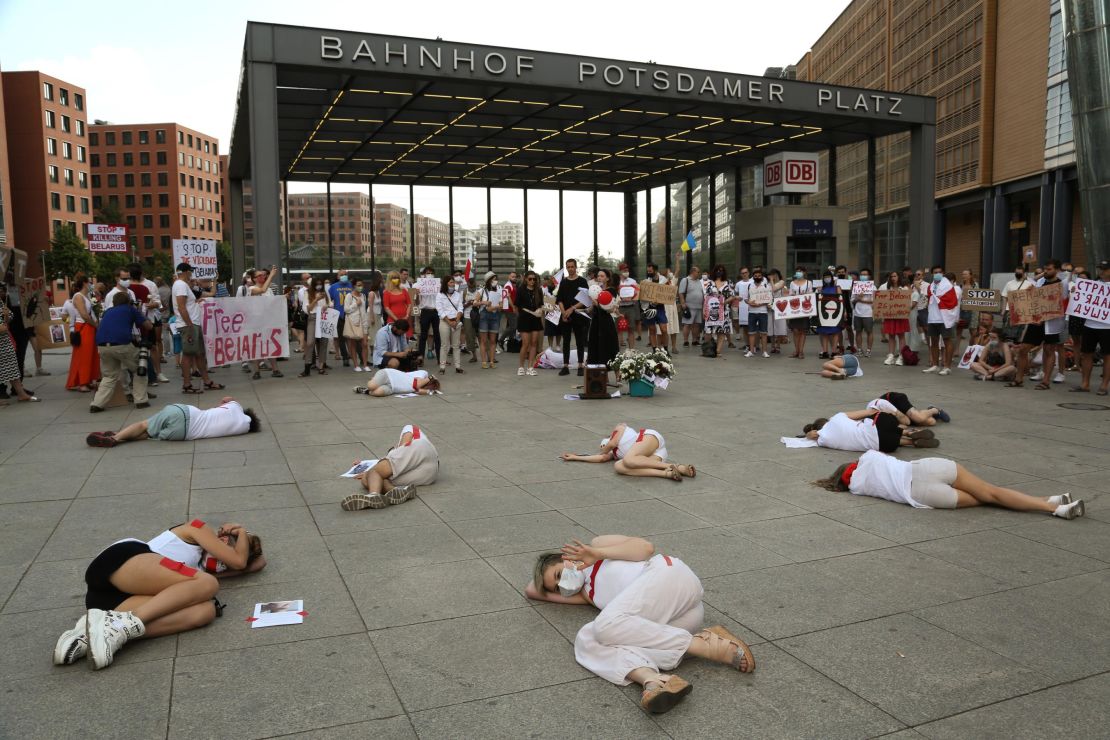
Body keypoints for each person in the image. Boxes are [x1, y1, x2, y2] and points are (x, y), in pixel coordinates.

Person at [525, 535, 754, 714]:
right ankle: (653, 680)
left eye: (558, 575)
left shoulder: (598, 547)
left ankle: (704, 646)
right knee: (586, 637)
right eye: (557, 588)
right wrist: (554, 584)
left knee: (603, 627)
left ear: (566, 558)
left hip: (670, 576)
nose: (562, 586)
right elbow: (531, 590)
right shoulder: (585, 594)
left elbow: (645, 548)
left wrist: (596, 554)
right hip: (683, 619)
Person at [53, 519, 265, 669]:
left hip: (108, 600)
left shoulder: (195, 575)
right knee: (208, 585)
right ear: (225, 541)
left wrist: (238, 562)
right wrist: (242, 532)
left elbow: (256, 564)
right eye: (223, 556)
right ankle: (121, 627)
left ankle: (91, 631)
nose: (221, 565)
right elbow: (238, 561)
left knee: (206, 610)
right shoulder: (196, 527)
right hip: (121, 560)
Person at [813, 450, 1086, 519]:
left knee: (988, 497)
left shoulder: (858, 488)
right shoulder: (868, 458)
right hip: (926, 466)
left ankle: (1054, 506)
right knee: (991, 491)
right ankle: (1051, 502)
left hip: (920, 493)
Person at [86, 396, 261, 447]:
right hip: (183, 435)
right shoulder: (245, 428)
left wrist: (224, 404)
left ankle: (114, 438)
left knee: (144, 425)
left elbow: (225, 398)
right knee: (147, 434)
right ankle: (120, 437)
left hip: (184, 413)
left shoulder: (236, 406)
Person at [340, 425, 439, 511]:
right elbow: (390, 463)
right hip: (430, 474)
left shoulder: (407, 431)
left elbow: (409, 438)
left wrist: (375, 469)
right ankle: (396, 491)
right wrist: (367, 470)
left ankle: (374, 495)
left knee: (374, 472)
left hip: (422, 448)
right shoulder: (399, 456)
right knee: (370, 479)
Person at [560, 423, 696, 481]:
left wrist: (605, 448)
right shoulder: (615, 454)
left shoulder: (619, 429)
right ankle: (667, 473)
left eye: (603, 445)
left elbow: (611, 444)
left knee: (628, 460)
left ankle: (676, 466)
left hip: (649, 438)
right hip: (653, 456)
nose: (603, 448)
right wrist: (576, 457)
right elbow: (600, 458)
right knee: (618, 466)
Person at [89, 293, 152, 412]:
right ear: (129, 301)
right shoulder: (130, 309)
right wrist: (140, 312)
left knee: (109, 376)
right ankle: (141, 400)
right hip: (121, 344)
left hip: (102, 346)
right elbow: (148, 326)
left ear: (114, 302)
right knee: (139, 369)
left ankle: (97, 404)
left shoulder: (108, 311)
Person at [173, 263, 221, 394]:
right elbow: (181, 306)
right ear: (184, 272)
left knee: (199, 354)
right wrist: (189, 324)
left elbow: (186, 304)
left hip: (193, 323)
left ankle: (207, 381)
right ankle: (187, 384)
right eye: (190, 271)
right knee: (188, 355)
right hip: (189, 325)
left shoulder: (183, 286)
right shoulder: (180, 285)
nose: (191, 274)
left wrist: (195, 304)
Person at [801, 410, 939, 452]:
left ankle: (910, 442)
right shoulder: (836, 417)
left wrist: (808, 435)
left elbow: (811, 435)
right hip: (881, 426)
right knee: (872, 424)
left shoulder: (823, 439)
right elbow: (866, 412)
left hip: (884, 446)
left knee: (875, 439)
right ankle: (909, 432)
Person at [1072, 259, 1110, 395]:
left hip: (1107, 327)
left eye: (1104, 269)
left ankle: (1104, 385)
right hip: (1090, 324)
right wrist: (1076, 291)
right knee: (1086, 354)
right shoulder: (1092, 285)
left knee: (1107, 356)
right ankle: (1085, 383)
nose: (1101, 272)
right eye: (1100, 269)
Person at [0, 292, 40, 404]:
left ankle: (21, 393)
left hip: (4, 341)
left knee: (12, 366)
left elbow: (9, 318)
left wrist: (7, 315)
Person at [246, 266, 284, 379]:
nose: (263, 276)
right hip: (256, 322)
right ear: (254, 279)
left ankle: (275, 369)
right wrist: (271, 275)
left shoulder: (269, 290)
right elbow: (261, 290)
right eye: (260, 275)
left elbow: (272, 303)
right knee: (257, 345)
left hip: (268, 320)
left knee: (271, 344)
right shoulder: (251, 289)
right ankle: (256, 371)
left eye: (264, 275)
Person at [66, 273, 101, 393]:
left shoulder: (86, 296)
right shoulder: (78, 296)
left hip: (88, 327)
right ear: (85, 283)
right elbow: (84, 315)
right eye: (90, 282)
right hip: (84, 327)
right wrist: (95, 324)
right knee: (84, 355)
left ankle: (88, 379)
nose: (91, 284)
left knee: (91, 354)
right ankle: (82, 382)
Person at [922, 266, 959, 375]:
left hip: (945, 317)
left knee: (947, 341)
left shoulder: (947, 286)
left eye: (939, 272)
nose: (937, 274)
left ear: (943, 273)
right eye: (935, 272)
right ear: (932, 274)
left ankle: (947, 366)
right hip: (933, 317)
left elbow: (952, 301)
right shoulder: (931, 286)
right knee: (933, 341)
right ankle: (934, 365)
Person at [556, 259, 590, 376]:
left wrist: (572, 309)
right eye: (568, 267)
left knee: (580, 340)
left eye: (572, 266)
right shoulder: (564, 282)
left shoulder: (582, 281)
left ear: (576, 267)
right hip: (566, 316)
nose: (570, 269)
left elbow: (585, 299)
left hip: (578, 315)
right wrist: (564, 312)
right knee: (566, 341)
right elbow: (559, 299)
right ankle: (565, 366)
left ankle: (580, 365)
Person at [514, 270, 544, 376]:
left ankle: (530, 367)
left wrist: (540, 310)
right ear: (526, 279)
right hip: (524, 319)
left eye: (534, 279)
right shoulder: (521, 290)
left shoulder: (538, 290)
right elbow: (516, 305)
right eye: (530, 279)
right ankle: (521, 366)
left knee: (534, 343)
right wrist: (520, 316)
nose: (532, 281)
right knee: (525, 343)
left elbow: (541, 304)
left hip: (535, 319)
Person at [701, 265, 736, 358]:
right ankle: (707, 350)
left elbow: (733, 296)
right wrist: (704, 309)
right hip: (711, 310)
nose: (719, 272)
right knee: (708, 331)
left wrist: (724, 302)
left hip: (724, 311)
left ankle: (718, 351)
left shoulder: (729, 282)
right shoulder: (710, 283)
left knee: (721, 331)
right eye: (717, 270)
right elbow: (706, 298)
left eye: (721, 270)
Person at [300, 278, 330, 377]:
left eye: (320, 284)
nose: (319, 286)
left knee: (323, 343)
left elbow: (330, 303)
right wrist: (316, 300)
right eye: (317, 284)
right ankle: (307, 367)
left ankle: (321, 367)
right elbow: (307, 309)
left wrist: (327, 306)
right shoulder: (307, 293)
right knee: (310, 342)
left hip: (324, 318)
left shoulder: (325, 293)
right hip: (313, 318)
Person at [866, 391, 950, 426]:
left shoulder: (881, 405)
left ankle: (935, 410)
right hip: (895, 413)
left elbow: (907, 421)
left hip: (894, 399)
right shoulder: (872, 421)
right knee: (932, 422)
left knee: (918, 418)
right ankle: (927, 412)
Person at [436, 275, 466, 374]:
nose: (452, 285)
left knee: (456, 345)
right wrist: (449, 322)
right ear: (445, 284)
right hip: (445, 322)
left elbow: (461, 308)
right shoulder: (440, 295)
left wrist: (456, 320)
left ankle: (458, 367)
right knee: (444, 345)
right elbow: (440, 310)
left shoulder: (458, 294)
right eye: (450, 283)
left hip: (456, 321)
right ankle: (442, 367)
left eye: (453, 283)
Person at [878, 272, 910, 364]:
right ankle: (891, 355)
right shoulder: (886, 288)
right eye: (891, 276)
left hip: (901, 315)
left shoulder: (904, 288)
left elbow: (908, 302)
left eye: (895, 276)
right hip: (890, 315)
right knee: (891, 335)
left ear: (898, 277)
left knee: (901, 335)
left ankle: (901, 356)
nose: (893, 278)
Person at [414, 266, 442, 367]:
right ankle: (421, 358)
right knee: (423, 336)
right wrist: (416, 294)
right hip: (424, 311)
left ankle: (440, 358)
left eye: (431, 273)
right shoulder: (417, 284)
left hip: (436, 311)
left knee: (437, 335)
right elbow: (415, 302)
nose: (429, 275)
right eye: (427, 273)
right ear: (424, 274)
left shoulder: (437, 284)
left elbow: (441, 298)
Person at [22, 282, 51, 376]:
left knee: (38, 347)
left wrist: (46, 301)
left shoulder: (35, 297)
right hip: (21, 325)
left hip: (31, 325)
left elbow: (40, 310)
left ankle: (39, 368)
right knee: (21, 349)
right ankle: (22, 368)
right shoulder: (21, 296)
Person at [343, 277, 371, 371]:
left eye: (361, 285)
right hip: (353, 323)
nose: (360, 287)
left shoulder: (363, 295)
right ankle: (356, 365)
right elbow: (346, 309)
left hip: (363, 322)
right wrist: (356, 304)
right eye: (358, 285)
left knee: (365, 344)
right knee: (353, 344)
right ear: (354, 286)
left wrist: (367, 322)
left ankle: (365, 364)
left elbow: (364, 309)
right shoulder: (349, 296)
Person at [354, 367, 440, 397]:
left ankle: (364, 390)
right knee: (372, 386)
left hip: (392, 388)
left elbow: (422, 391)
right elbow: (419, 385)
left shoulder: (417, 389)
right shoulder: (420, 379)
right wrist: (431, 378)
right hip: (388, 375)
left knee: (378, 393)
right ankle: (374, 379)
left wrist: (432, 391)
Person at [476, 271, 502, 369]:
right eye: (493, 279)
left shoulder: (499, 290)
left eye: (496, 279)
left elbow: (501, 304)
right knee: (483, 340)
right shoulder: (481, 290)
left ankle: (491, 361)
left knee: (493, 340)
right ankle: (483, 362)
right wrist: (484, 302)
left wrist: (497, 307)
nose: (495, 281)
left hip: (495, 316)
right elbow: (475, 302)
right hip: (484, 316)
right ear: (488, 280)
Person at [328, 269, 353, 366]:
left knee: (351, 337)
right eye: (341, 275)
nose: (344, 276)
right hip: (339, 316)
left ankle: (352, 354)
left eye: (345, 274)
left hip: (351, 315)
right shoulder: (333, 287)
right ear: (338, 277)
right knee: (341, 338)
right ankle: (345, 357)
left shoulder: (351, 285)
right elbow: (328, 300)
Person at [744, 267, 771, 358]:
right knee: (751, 332)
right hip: (752, 312)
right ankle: (751, 351)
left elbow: (769, 299)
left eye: (759, 276)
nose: (757, 277)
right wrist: (749, 302)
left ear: (762, 277)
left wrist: (760, 304)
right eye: (755, 276)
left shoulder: (766, 286)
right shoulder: (749, 285)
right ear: (753, 276)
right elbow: (745, 299)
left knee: (764, 332)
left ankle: (764, 351)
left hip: (763, 312)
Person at [817, 270, 844, 358]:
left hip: (835, 313)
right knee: (824, 333)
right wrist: (818, 291)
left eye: (828, 277)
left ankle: (834, 351)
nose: (827, 278)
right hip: (823, 313)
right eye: (825, 277)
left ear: (832, 278)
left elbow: (841, 300)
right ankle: (825, 351)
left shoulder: (837, 287)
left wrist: (844, 312)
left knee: (835, 332)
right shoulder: (821, 288)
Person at [787, 268, 813, 359]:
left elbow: (810, 294)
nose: (799, 273)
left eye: (800, 271)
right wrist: (793, 295)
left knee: (802, 330)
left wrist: (804, 295)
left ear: (804, 273)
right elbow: (789, 294)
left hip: (804, 308)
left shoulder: (808, 283)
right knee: (795, 330)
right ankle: (796, 350)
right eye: (797, 271)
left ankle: (801, 351)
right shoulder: (792, 283)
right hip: (794, 308)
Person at [850, 268, 875, 357]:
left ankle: (868, 350)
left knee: (869, 331)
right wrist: (857, 298)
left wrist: (862, 300)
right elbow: (852, 300)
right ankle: (859, 349)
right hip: (857, 313)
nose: (863, 276)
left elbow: (874, 301)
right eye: (862, 275)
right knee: (858, 332)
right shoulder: (856, 286)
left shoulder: (873, 287)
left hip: (868, 313)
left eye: (865, 275)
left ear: (869, 276)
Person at [677, 265, 704, 348]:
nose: (699, 273)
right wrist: (683, 303)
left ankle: (694, 340)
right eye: (698, 272)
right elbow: (681, 292)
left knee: (696, 324)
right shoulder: (685, 280)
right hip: (689, 306)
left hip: (699, 306)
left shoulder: (699, 281)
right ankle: (685, 341)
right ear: (693, 272)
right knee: (687, 324)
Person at [381, 270, 413, 338]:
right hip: (393, 320)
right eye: (394, 278)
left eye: (397, 278)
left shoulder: (403, 290)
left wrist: (407, 316)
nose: (396, 280)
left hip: (405, 319)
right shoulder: (386, 292)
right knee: (393, 340)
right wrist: (397, 320)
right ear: (390, 280)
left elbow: (409, 304)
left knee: (405, 339)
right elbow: (386, 308)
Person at [616, 262, 639, 349]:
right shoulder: (617, 282)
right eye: (624, 270)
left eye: (627, 270)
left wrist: (632, 297)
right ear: (620, 271)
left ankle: (632, 350)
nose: (626, 271)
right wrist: (621, 297)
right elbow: (614, 294)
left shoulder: (633, 281)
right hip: (619, 308)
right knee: (618, 329)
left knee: (631, 329)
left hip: (630, 307)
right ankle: (617, 351)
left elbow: (637, 294)